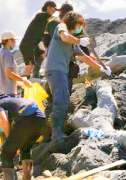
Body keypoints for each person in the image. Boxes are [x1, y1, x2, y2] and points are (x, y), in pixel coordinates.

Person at [47, 12, 110, 144]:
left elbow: (84, 57)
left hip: (62, 72)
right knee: (61, 102)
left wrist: (101, 68)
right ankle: (57, 136)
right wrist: (80, 40)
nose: (80, 28)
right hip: (55, 70)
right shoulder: (61, 26)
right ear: (73, 22)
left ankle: (59, 132)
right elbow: (64, 37)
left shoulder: (73, 43)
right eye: (79, 25)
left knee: (64, 101)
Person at [0, 92, 48, 180]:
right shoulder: (15, 100)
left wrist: (9, 138)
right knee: (25, 148)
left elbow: (3, 120)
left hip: (27, 121)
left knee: (6, 153)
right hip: (41, 120)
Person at [20, 1, 58, 79]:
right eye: (54, 9)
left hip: (32, 45)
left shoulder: (44, 19)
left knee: (32, 66)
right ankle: (22, 85)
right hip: (28, 45)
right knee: (29, 66)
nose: (55, 11)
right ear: (48, 7)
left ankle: (29, 82)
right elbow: (55, 19)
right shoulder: (41, 15)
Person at [0, 31, 32, 96]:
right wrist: (23, 80)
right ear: (9, 40)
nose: (15, 43)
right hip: (9, 92)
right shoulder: (8, 54)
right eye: (14, 41)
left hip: (3, 91)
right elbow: (8, 73)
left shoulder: (2, 53)